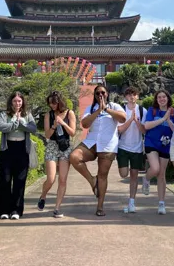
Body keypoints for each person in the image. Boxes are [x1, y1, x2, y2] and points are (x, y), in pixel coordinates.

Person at [70, 84, 126, 216]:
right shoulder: (91, 108)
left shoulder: (114, 106)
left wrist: (106, 109)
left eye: (103, 93)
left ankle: (100, 206)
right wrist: (98, 111)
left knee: (102, 175)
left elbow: (123, 118)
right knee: (74, 157)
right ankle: (91, 180)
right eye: (97, 93)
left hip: (108, 145)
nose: (100, 95)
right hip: (92, 142)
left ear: (107, 94)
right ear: (94, 96)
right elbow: (84, 124)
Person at [0, 91, 37, 220]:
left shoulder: (27, 114)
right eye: (15, 101)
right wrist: (14, 124)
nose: (17, 103)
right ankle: (4, 210)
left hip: (22, 149)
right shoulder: (4, 114)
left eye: (19, 101)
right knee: (5, 180)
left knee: (20, 181)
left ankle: (16, 210)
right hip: (7, 149)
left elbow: (33, 128)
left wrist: (22, 124)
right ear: (11, 102)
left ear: (22, 102)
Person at [37, 91, 76, 218]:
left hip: (65, 146)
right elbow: (47, 135)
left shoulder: (70, 113)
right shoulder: (48, 115)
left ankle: (57, 208)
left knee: (63, 179)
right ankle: (43, 195)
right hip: (53, 146)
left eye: (54, 103)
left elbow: (73, 133)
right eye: (50, 104)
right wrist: (54, 126)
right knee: (51, 178)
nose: (52, 106)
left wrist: (63, 123)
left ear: (59, 102)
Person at [142, 90, 174, 215]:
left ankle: (161, 203)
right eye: (159, 97)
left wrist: (168, 120)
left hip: (166, 145)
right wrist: (162, 118)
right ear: (156, 100)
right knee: (155, 169)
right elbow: (147, 126)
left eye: (164, 97)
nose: (162, 99)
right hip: (151, 143)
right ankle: (146, 178)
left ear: (168, 98)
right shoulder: (152, 110)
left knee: (161, 174)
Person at [117, 87, 147, 213]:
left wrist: (137, 121)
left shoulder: (142, 110)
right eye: (129, 95)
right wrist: (130, 120)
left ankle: (132, 202)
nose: (131, 97)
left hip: (137, 148)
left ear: (137, 96)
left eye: (134, 94)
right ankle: (130, 202)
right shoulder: (121, 110)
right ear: (125, 97)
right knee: (124, 174)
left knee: (134, 176)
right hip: (123, 147)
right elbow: (120, 129)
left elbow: (144, 131)